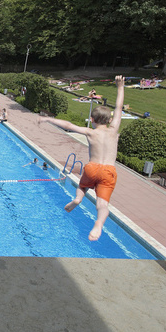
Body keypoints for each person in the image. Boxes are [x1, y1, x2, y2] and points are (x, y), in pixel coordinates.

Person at [39, 75, 125, 241]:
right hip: (109, 171)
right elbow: (119, 107)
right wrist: (120, 87)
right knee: (102, 205)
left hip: (92, 168)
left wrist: (48, 118)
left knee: (82, 186)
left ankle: (78, 199)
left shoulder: (90, 132)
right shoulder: (113, 130)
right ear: (109, 120)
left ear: (92, 120)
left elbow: (69, 126)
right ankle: (99, 224)